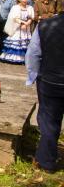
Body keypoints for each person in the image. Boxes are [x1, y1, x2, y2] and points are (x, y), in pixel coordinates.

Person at [25, 12, 64, 172]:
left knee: (49, 121)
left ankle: (46, 161)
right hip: (51, 79)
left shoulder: (45, 25)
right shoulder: (45, 24)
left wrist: (33, 76)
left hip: (51, 80)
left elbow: (33, 54)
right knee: (48, 120)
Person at [0, 0, 34, 64]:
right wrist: (22, 23)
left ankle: (25, 59)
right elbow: (14, 18)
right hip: (17, 28)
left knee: (26, 43)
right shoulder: (15, 7)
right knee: (16, 42)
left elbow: (31, 17)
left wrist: (27, 23)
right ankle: (15, 58)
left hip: (26, 29)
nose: (25, 1)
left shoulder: (30, 7)